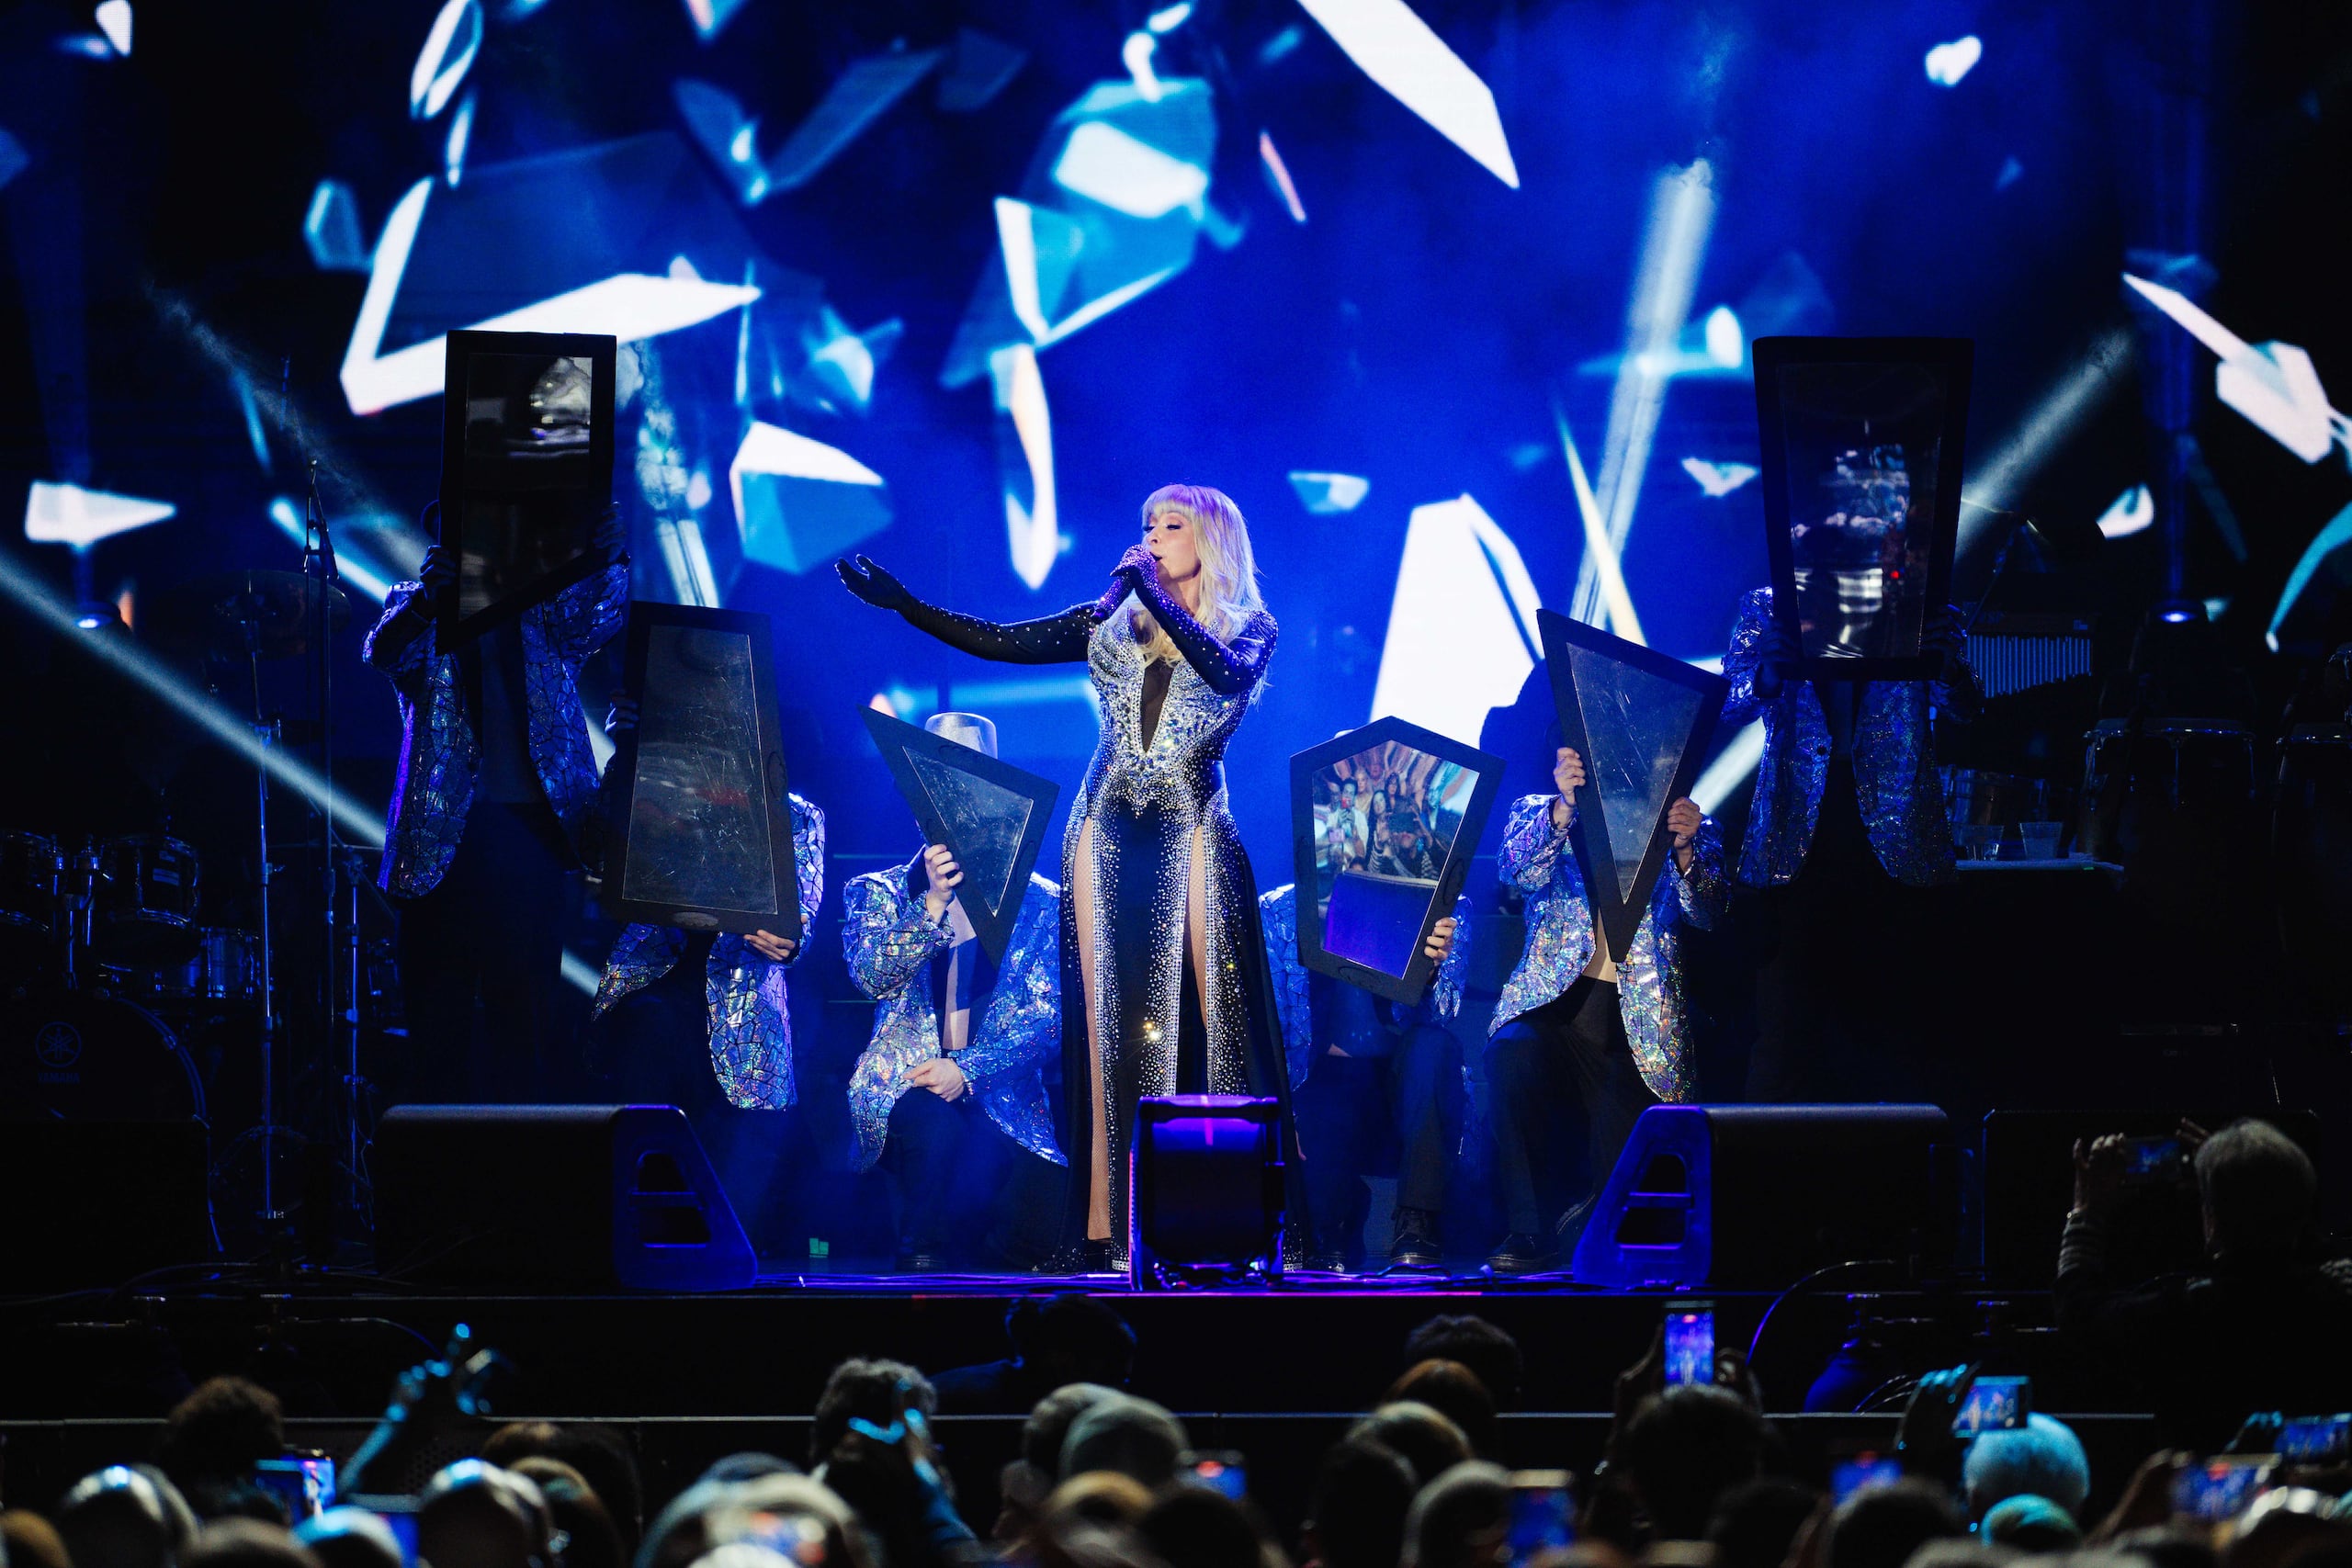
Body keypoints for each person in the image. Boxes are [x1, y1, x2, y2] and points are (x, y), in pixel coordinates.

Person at [837, 484, 1285, 1271]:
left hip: (1194, 828)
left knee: (1213, 1021)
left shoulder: (1249, 627)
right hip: (1105, 829)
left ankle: (1220, 1217)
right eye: (1144, 525)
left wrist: (1146, 588)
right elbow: (1002, 640)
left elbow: (1218, 673)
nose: (1150, 537)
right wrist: (905, 604)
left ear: (1212, 538)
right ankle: (1113, 1226)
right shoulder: (1111, 624)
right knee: (1108, 1030)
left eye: (1169, 526)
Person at [364, 513, 628, 1100]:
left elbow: (599, 619)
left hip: (529, 834)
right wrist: (431, 603)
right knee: (437, 1030)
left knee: (524, 1022)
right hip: (442, 842)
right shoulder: (420, 601)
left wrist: (607, 558)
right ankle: (436, 1171)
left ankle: (519, 1168)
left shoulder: (545, 606)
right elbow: (384, 654)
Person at [1721, 589, 1978, 1101]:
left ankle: (1900, 1165)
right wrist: (1769, 674)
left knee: (1896, 1031)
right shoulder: (1771, 605)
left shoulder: (1920, 602)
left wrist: (1948, 670)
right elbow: (1730, 702)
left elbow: (1967, 708)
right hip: (1796, 836)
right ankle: (1764, 1168)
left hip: (1894, 834)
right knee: (1784, 1030)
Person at [1483, 747, 1728, 1273]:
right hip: (1553, 1009)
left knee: (1618, 1218)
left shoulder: (1689, 825)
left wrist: (1687, 850)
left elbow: (1709, 911)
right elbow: (1514, 871)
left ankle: (1590, 1233)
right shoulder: (1540, 809)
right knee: (1510, 1056)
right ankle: (1531, 1230)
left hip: (1640, 1028)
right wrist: (1562, 810)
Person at [591, 694, 823, 1236]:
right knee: (647, 1191)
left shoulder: (794, 814)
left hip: (743, 1015)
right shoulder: (659, 795)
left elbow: (802, 919)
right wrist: (626, 758)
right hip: (658, 998)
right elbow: (597, 850)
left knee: (731, 1213)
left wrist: (788, 941)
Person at [842, 714, 1066, 1272]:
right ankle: (920, 1272)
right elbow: (872, 976)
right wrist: (932, 904)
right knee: (935, 1134)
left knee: (1038, 1218)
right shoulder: (879, 891)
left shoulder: (1041, 903)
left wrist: (967, 1070)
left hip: (1000, 1089)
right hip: (905, 1083)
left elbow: (1049, 1016)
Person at [2056, 1119, 2352, 1446]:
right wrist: (2258, 1180)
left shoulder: (2181, 1315)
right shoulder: (2337, 1298)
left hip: (2203, 1493)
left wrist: (2086, 1212)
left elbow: (2079, 1313)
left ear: (2212, 1218)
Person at [1260, 880, 1468, 1271]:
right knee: (1331, 1099)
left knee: (1435, 1048)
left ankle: (1417, 1222)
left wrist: (1432, 972)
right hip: (1322, 1092)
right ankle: (1336, 1216)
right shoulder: (1280, 910)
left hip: (1403, 1094)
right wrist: (1281, 1111)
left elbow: (1445, 1013)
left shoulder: (1443, 907)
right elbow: (1269, 1024)